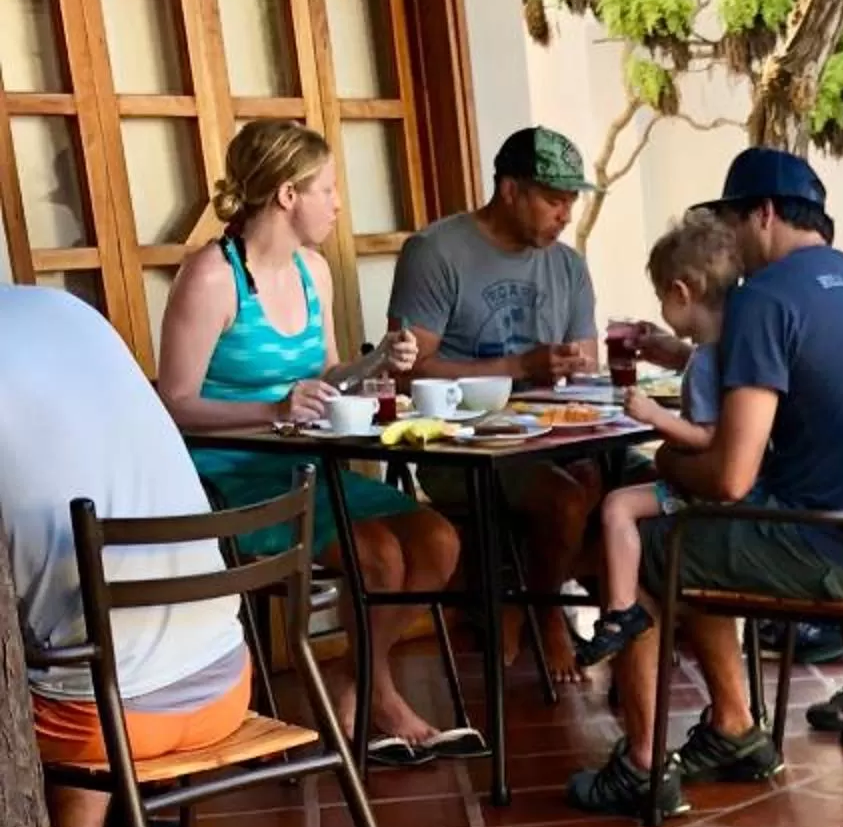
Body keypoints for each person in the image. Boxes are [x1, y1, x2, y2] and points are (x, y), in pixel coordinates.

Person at [568, 146, 843, 821]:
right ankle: (733, 726)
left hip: (841, 550)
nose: (729, 243)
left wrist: (665, 461)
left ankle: (641, 766)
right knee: (701, 533)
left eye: (732, 222)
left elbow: (728, 475)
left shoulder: (765, 297)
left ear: (765, 214)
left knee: (647, 542)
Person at [156, 119, 464, 764]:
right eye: (327, 189)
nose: (338, 204)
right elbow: (173, 403)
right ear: (288, 195)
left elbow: (326, 376)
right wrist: (272, 407)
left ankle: (354, 680)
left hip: (306, 468)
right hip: (229, 479)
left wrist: (378, 361)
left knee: (438, 539)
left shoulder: (313, 271)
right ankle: (381, 696)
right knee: (378, 555)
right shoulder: (212, 277)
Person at [1, 285, 253, 827]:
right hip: (224, 679)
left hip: (100, 713)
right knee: (77, 642)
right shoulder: (64, 311)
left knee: (64, 661)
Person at [388, 125, 606, 669]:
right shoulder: (436, 252)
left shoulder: (567, 265)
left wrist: (571, 366)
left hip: (551, 435)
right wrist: (518, 368)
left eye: (572, 200)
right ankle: (545, 612)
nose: (566, 215)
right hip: (461, 442)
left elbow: (588, 364)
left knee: (626, 484)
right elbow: (405, 374)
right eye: (554, 200)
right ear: (510, 190)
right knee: (567, 497)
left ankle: (523, 601)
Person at [577, 210, 738, 672]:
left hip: (701, 492)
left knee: (617, 506)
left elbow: (708, 436)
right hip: (721, 486)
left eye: (661, 296)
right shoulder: (730, 348)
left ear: (681, 293)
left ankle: (622, 610)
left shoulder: (706, 361)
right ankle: (622, 610)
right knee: (625, 499)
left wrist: (655, 417)